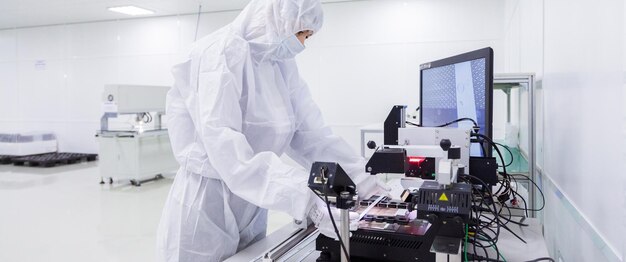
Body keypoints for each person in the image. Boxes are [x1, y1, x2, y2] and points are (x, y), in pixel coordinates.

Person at [156, 0, 388, 261]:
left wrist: (365, 181)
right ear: (278, 18)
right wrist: (307, 201)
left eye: (308, 37)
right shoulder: (216, 55)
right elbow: (228, 154)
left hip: (252, 199)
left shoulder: (279, 64)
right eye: (301, 34)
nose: (302, 44)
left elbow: (312, 136)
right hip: (206, 203)